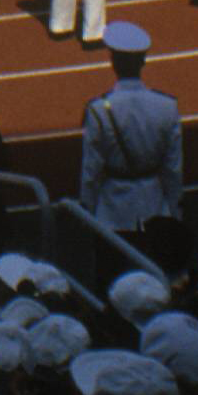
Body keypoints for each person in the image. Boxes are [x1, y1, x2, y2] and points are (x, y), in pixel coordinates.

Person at [71, 22, 179, 235]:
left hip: (113, 212)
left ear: (113, 62)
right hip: (155, 207)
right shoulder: (167, 106)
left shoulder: (99, 110)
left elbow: (91, 171)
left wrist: (87, 210)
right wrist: (176, 213)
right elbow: (173, 169)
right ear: (143, 61)